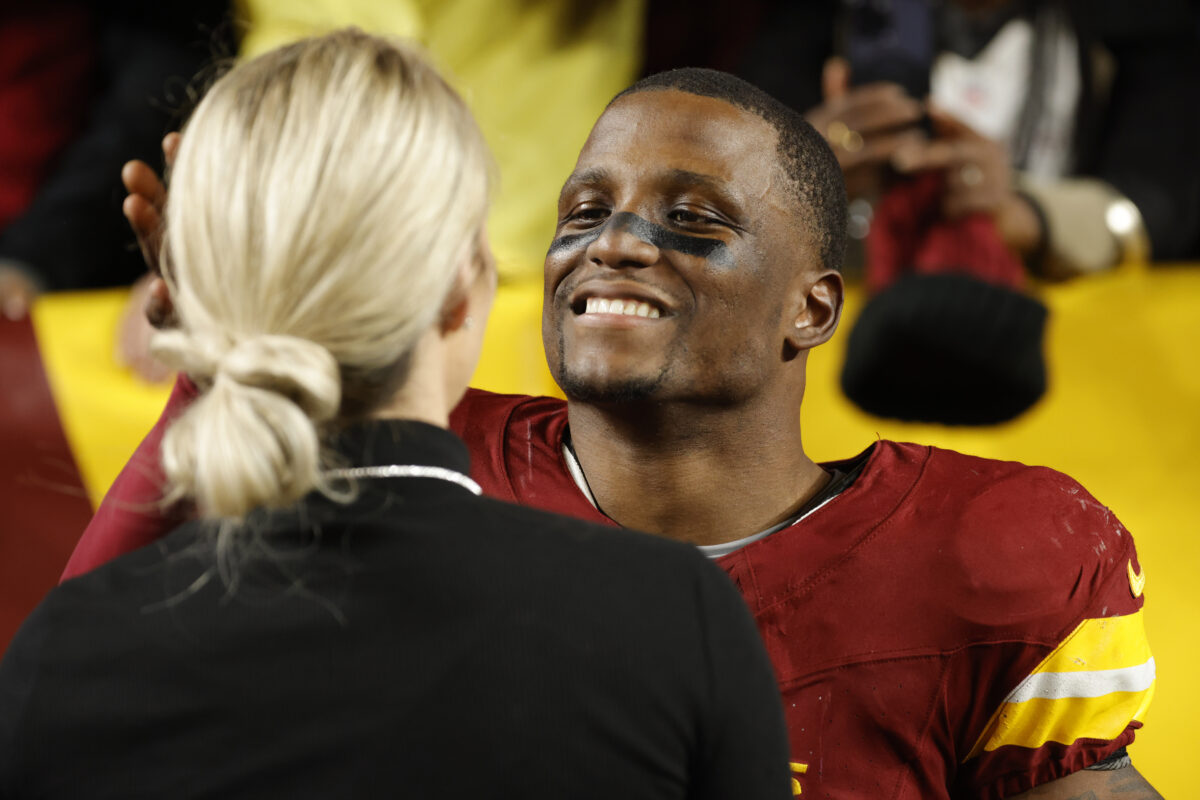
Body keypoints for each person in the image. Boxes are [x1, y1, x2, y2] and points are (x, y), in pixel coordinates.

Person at [67, 67, 1158, 799]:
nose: (616, 244)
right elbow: (77, 683)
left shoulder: (994, 551)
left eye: (695, 221)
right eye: (582, 212)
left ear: (812, 307)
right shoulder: (414, 455)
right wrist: (215, 363)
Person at [0, 32, 793, 799]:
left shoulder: (74, 647)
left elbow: (97, 647)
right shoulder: (667, 619)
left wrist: (212, 362)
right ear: (459, 283)